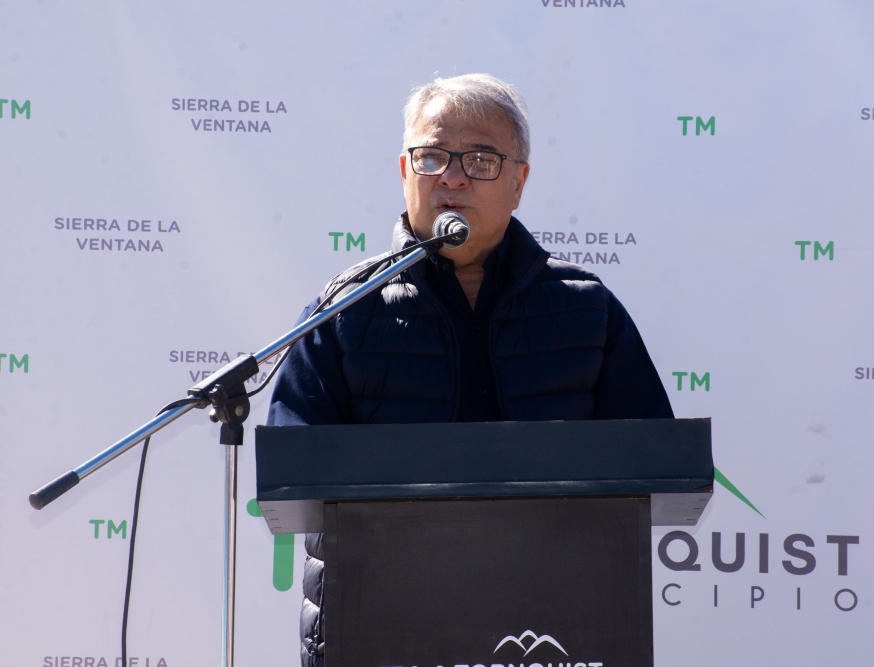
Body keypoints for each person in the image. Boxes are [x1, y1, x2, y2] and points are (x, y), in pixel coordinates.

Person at [266, 73, 673, 667]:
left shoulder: (587, 310)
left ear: (518, 182)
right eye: (431, 157)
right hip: (378, 628)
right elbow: (293, 460)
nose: (452, 176)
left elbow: (652, 458)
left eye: (480, 159)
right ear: (405, 173)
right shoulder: (345, 310)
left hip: (555, 631)